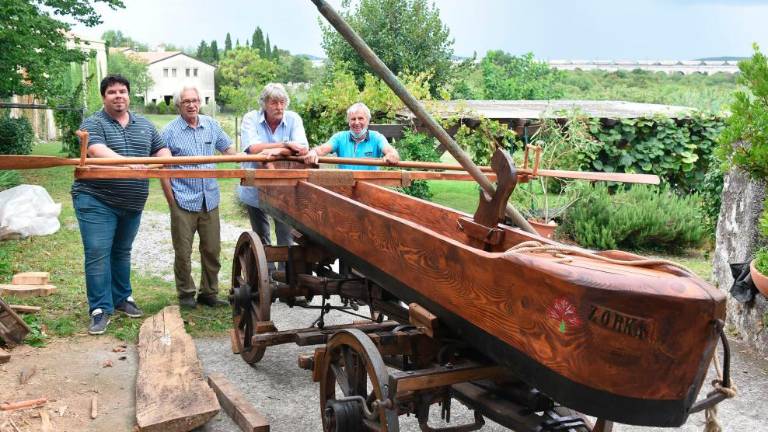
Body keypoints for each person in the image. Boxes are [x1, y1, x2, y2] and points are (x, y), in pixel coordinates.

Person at [72, 74, 171, 335]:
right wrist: (129, 163)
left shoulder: (145, 125)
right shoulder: (94, 122)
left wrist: (158, 162)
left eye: (123, 91)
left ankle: (122, 299)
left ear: (129, 95)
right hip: (96, 200)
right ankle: (99, 309)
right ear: (104, 97)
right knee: (97, 252)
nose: (119, 96)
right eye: (112, 92)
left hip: (132, 202)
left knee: (122, 251)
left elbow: (162, 151)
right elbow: (95, 150)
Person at [161, 86, 236, 309]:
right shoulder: (169, 132)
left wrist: (255, 157)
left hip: (209, 199)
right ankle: (185, 294)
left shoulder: (211, 125)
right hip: (183, 199)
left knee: (212, 249)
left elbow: (230, 151)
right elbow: (162, 168)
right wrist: (171, 201)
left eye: (195, 100)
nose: (192, 105)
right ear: (179, 105)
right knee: (183, 252)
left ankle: (209, 293)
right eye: (186, 102)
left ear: (200, 102)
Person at [238, 83, 308, 249]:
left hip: (285, 188)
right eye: (274, 103)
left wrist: (274, 152)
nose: (279, 107)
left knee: (286, 237)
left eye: (282, 102)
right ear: (264, 104)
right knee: (261, 237)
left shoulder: (293, 118)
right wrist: (286, 145)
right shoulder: (251, 118)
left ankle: (284, 273)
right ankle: (266, 274)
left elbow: (302, 148)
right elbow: (253, 148)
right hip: (255, 186)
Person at [302, 102, 399, 169]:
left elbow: (390, 150)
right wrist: (313, 152)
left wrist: (392, 155)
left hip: (370, 188)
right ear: (349, 122)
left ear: (368, 121)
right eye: (353, 119)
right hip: (345, 187)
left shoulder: (377, 137)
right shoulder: (339, 138)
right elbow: (322, 149)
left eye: (360, 118)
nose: (357, 122)